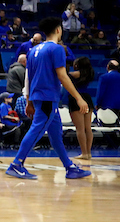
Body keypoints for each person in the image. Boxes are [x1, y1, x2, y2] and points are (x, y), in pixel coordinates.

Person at [6, 18, 92, 180]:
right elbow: (62, 76)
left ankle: (69, 167)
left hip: (38, 97)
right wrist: (79, 98)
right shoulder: (57, 49)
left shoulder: (34, 50)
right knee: (36, 130)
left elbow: (28, 78)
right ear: (59, 30)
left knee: (55, 133)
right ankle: (16, 164)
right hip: (47, 97)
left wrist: (29, 101)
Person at [67, 56, 95, 163]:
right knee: (88, 127)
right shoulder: (90, 73)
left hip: (76, 99)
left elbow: (63, 76)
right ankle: (88, 152)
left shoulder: (74, 74)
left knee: (80, 128)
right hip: (87, 98)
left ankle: (84, 153)